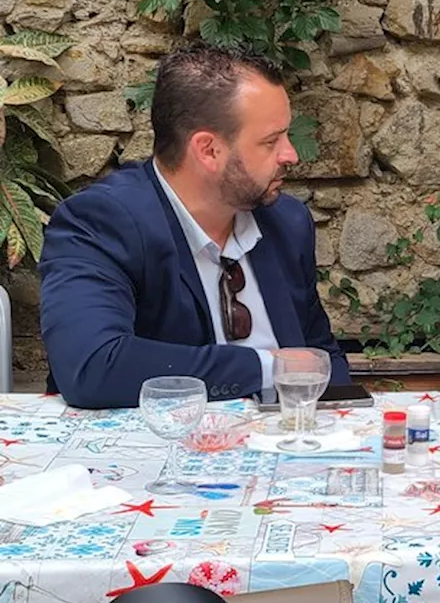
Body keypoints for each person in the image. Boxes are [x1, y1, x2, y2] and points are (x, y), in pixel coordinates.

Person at [39, 43, 350, 409]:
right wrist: (268, 366)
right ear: (208, 150)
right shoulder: (101, 222)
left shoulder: (286, 222)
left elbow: (324, 362)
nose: (291, 154)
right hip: (152, 452)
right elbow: (93, 366)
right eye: (270, 141)